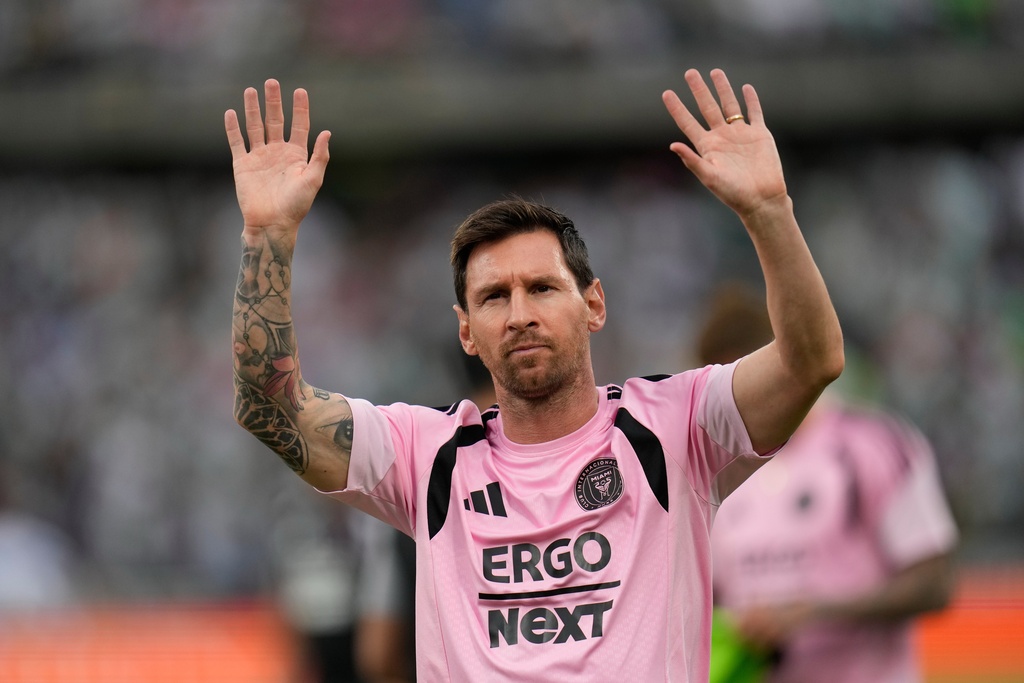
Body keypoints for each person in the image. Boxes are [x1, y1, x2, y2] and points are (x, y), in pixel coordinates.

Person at [225, 68, 845, 681]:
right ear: (466, 330)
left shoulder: (676, 426)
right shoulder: (426, 454)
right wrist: (268, 235)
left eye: (543, 288)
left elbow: (811, 361)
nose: (520, 314)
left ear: (594, 304)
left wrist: (769, 210)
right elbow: (269, 408)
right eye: (494, 297)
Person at [700, 283, 958, 683]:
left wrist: (817, 611)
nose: (725, 400)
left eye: (733, 381)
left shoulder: (876, 445)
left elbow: (934, 583)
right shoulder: (707, 467)